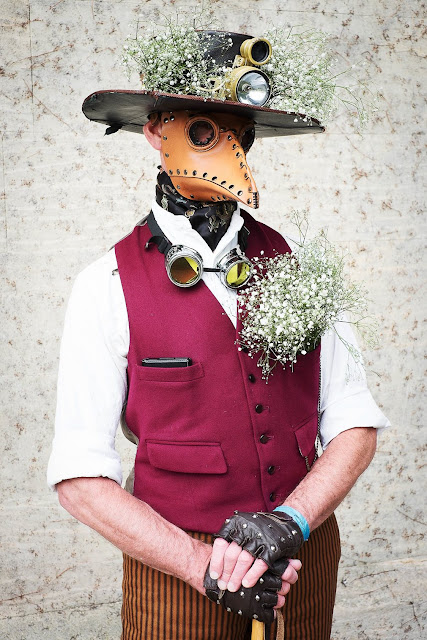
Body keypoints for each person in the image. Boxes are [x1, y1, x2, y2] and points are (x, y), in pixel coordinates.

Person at [47, 29, 390, 640]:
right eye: (204, 127)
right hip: (178, 572)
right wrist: (203, 567)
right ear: (156, 131)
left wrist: (292, 520)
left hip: (301, 558)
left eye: (242, 131)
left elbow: (355, 423)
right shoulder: (104, 285)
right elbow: (79, 478)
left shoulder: (301, 264)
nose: (229, 149)